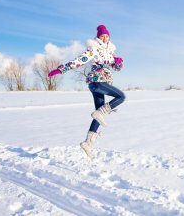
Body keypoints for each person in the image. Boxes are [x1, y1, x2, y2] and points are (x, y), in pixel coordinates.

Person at [48, 25, 126, 159]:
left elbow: (115, 67)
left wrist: (118, 63)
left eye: (107, 36)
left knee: (99, 114)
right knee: (121, 96)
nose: (105, 38)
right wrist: (62, 69)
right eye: (102, 36)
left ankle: (88, 143)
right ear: (98, 37)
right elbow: (79, 60)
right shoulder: (94, 49)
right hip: (97, 81)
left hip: (102, 82)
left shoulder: (110, 51)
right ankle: (98, 115)